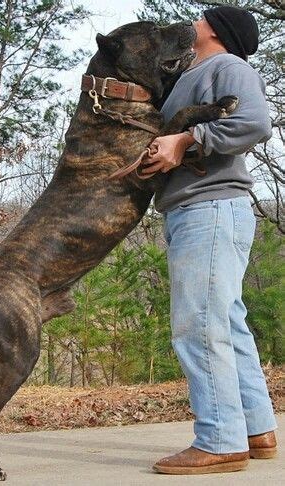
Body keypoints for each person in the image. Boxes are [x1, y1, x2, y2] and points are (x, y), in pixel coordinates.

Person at [143, 6, 278, 475]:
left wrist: (187, 140)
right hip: (204, 209)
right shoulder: (191, 73)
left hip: (211, 208)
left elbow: (256, 123)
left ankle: (220, 439)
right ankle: (256, 429)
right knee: (226, 323)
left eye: (201, 17)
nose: (192, 22)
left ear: (215, 31)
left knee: (198, 325)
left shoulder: (227, 67)